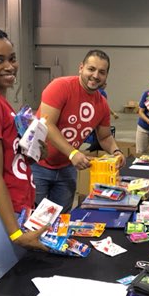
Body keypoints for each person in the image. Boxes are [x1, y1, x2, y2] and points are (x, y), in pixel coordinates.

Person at [0, 27, 46, 296]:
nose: (9, 65)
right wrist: (15, 234)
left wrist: (35, 145)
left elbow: (17, 157)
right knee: (16, 294)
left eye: (12, 58)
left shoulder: (0, 102)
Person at [34, 50, 123, 211]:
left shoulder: (102, 104)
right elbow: (46, 125)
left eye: (101, 72)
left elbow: (104, 137)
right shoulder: (61, 86)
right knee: (31, 219)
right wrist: (73, 153)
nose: (96, 76)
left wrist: (116, 151)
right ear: (81, 68)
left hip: (66, 169)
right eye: (91, 69)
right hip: (37, 165)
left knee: (60, 219)